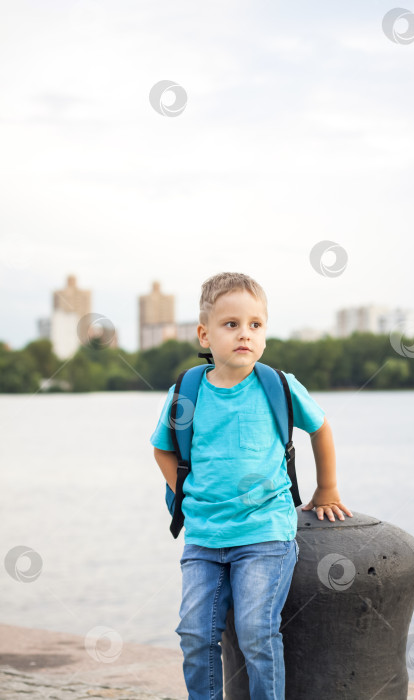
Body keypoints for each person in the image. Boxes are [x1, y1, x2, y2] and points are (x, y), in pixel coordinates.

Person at [150, 271, 352, 700]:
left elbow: (320, 428)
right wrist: (183, 495)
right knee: (194, 634)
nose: (245, 334)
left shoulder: (277, 385)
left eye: (255, 325)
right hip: (204, 537)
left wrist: (327, 489)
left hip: (265, 533)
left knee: (256, 631)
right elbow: (163, 449)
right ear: (205, 335)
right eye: (231, 324)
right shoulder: (187, 392)